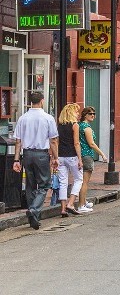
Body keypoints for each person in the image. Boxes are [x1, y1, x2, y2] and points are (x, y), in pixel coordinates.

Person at [12, 91, 59, 230]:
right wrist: (56, 158)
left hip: (27, 154)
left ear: (30, 102)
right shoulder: (48, 118)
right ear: (42, 101)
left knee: (30, 185)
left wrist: (16, 159)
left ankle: (35, 216)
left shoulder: (23, 118)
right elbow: (53, 140)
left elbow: (18, 141)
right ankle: (34, 210)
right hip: (41, 154)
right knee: (44, 184)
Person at [78, 106, 107, 212]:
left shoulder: (79, 126)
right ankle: (81, 205)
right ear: (85, 115)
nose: (93, 115)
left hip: (80, 155)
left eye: (94, 114)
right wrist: (102, 154)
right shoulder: (87, 128)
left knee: (81, 180)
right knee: (85, 181)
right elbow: (91, 143)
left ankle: (83, 201)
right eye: (91, 114)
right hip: (87, 155)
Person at [57, 103, 84, 217]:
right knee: (79, 179)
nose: (78, 114)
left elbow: (56, 142)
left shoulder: (59, 125)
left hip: (61, 156)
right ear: (72, 113)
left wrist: (54, 157)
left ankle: (63, 209)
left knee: (63, 182)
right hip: (72, 156)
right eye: (76, 112)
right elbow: (76, 143)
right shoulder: (75, 125)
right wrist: (80, 158)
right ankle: (71, 203)